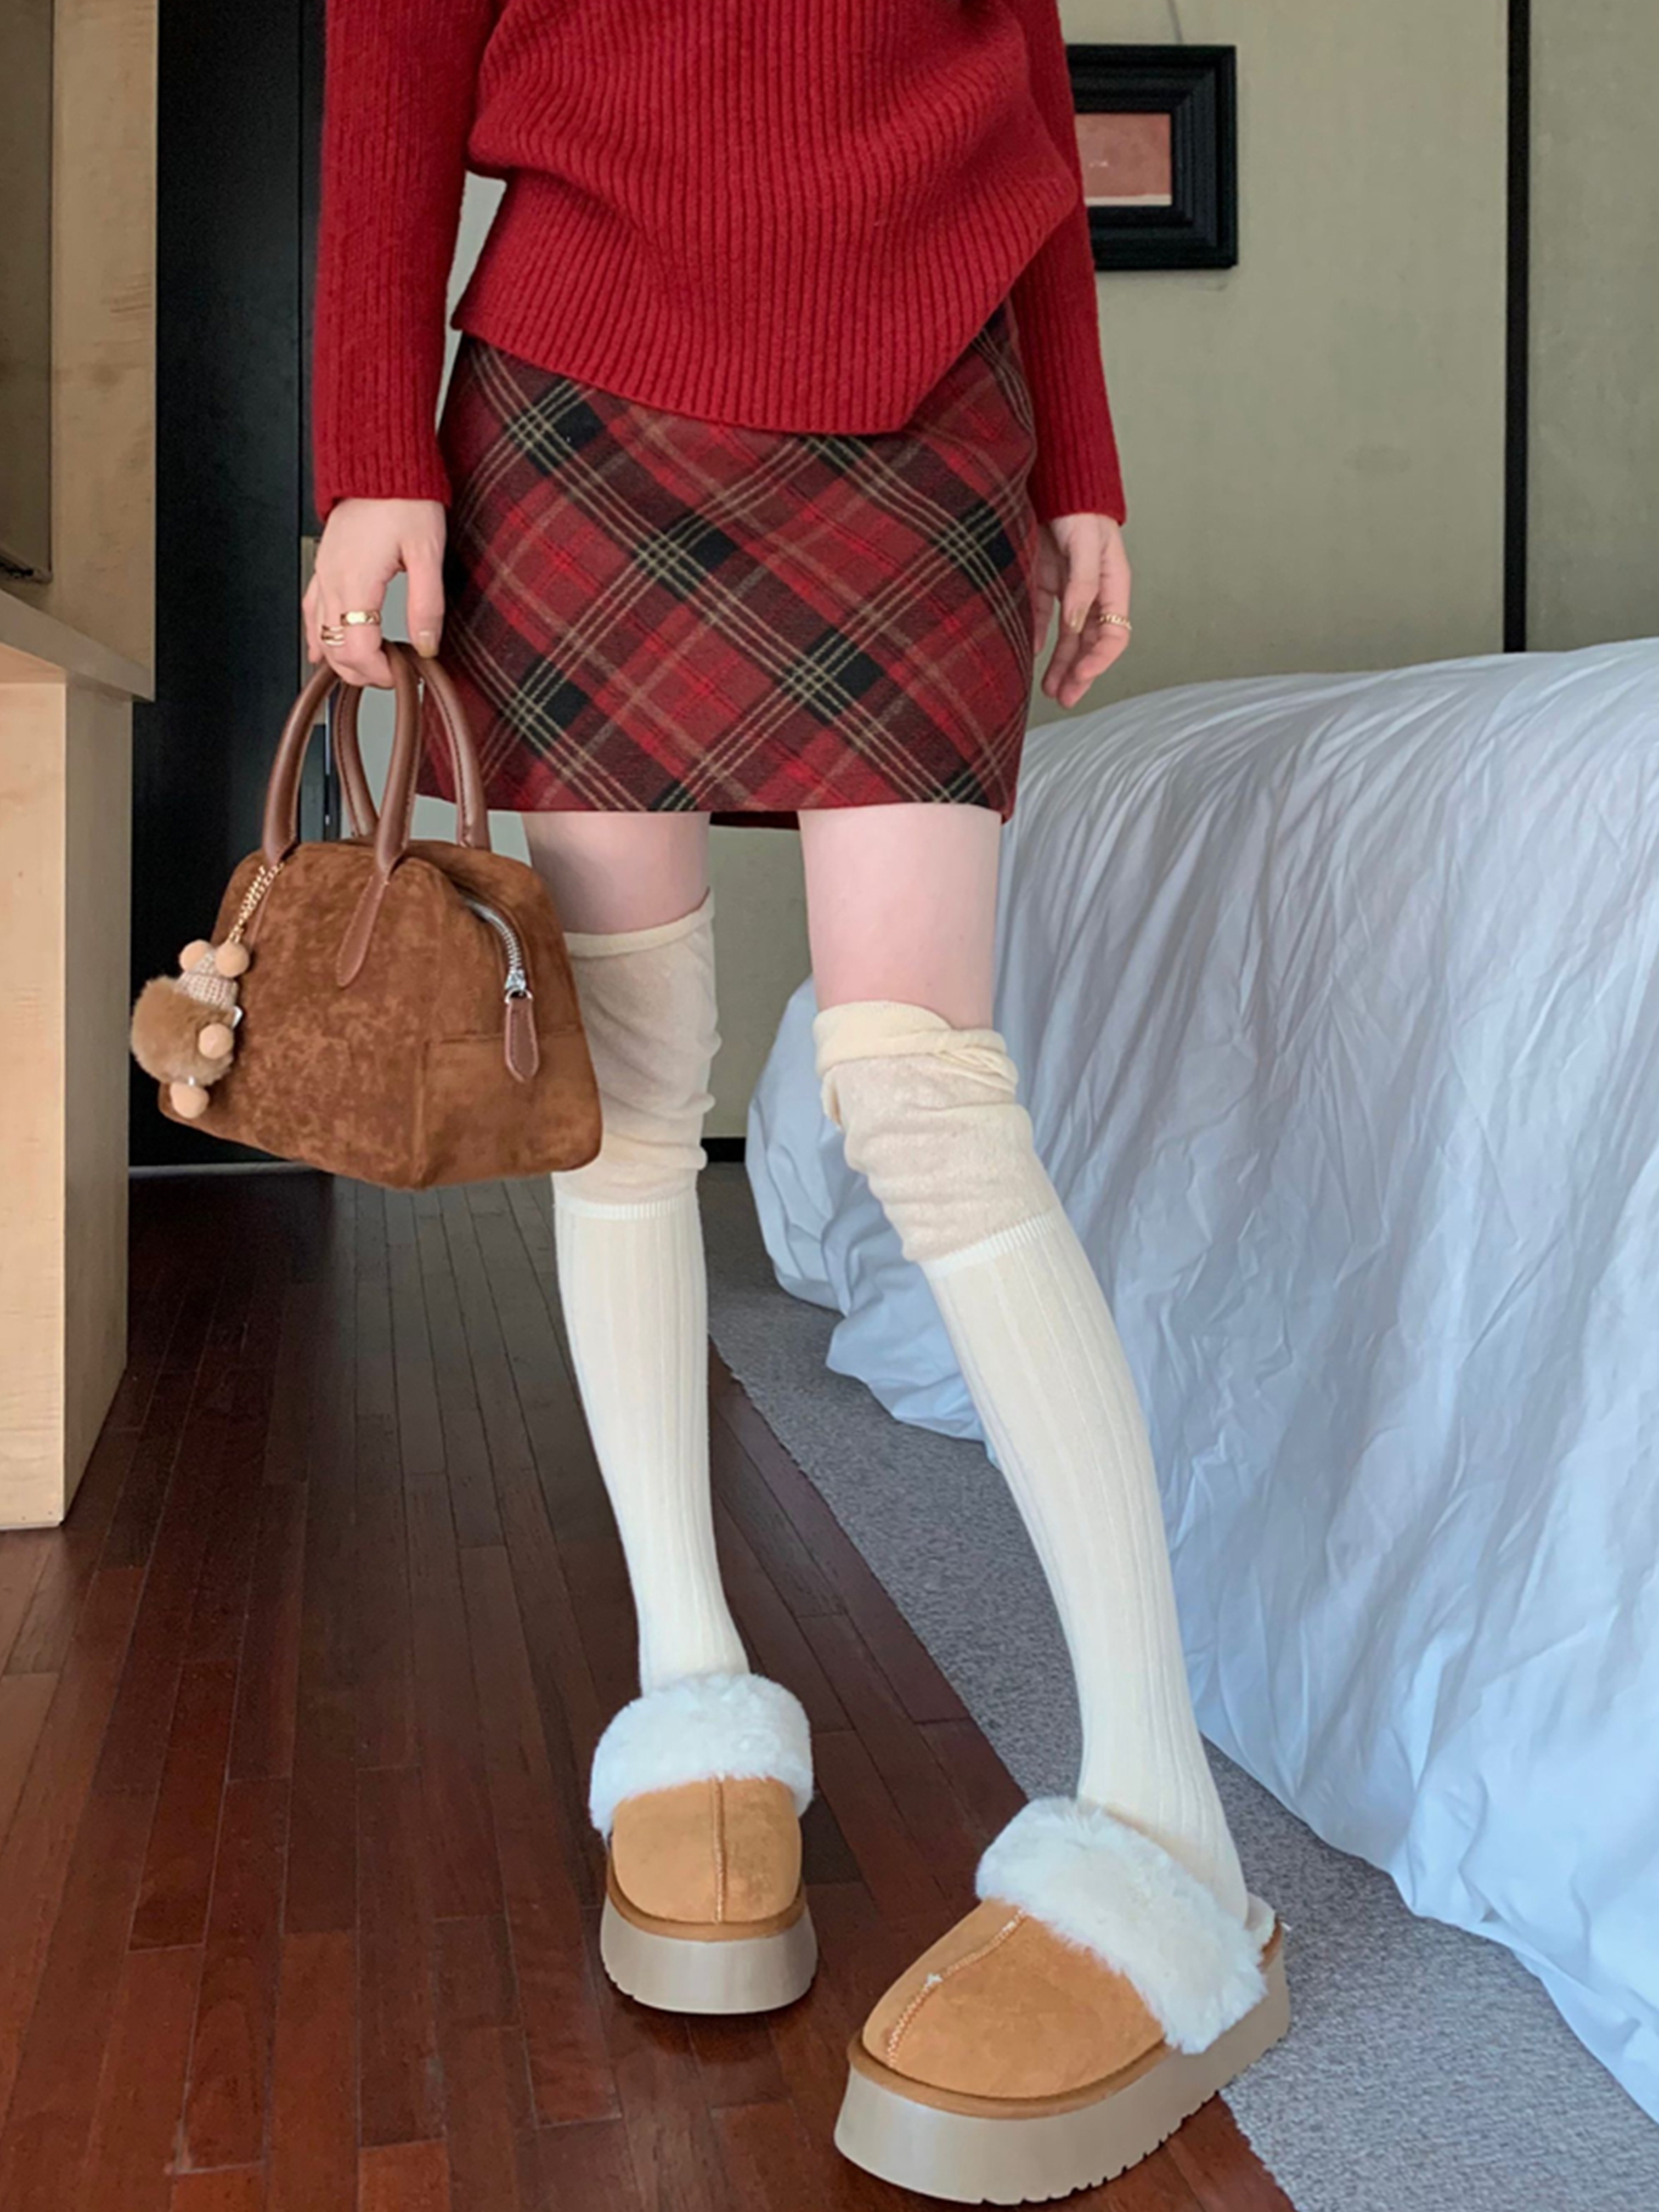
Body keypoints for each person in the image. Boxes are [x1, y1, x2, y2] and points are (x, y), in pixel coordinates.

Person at [306, 2, 1285, 2198]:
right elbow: (393, 46)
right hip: (573, 392)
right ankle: (694, 1707)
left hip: (932, 401)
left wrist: (1085, 453)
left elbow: (1021, 58)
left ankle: (1165, 1823)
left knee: (924, 1091)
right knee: (634, 1097)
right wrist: (373, 440)